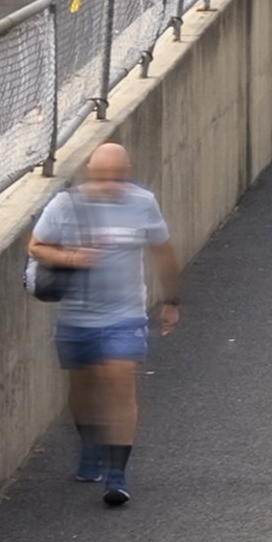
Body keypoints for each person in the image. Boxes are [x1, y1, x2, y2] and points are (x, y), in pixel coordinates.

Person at [28, 142, 179, 507]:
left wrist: (172, 300)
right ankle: (90, 446)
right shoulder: (67, 205)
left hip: (124, 315)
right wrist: (69, 256)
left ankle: (117, 474)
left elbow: (163, 250)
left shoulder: (142, 202)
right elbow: (36, 246)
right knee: (81, 390)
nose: (110, 182)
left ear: (127, 171)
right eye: (102, 175)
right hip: (76, 317)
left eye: (117, 175)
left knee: (119, 381)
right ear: (90, 171)